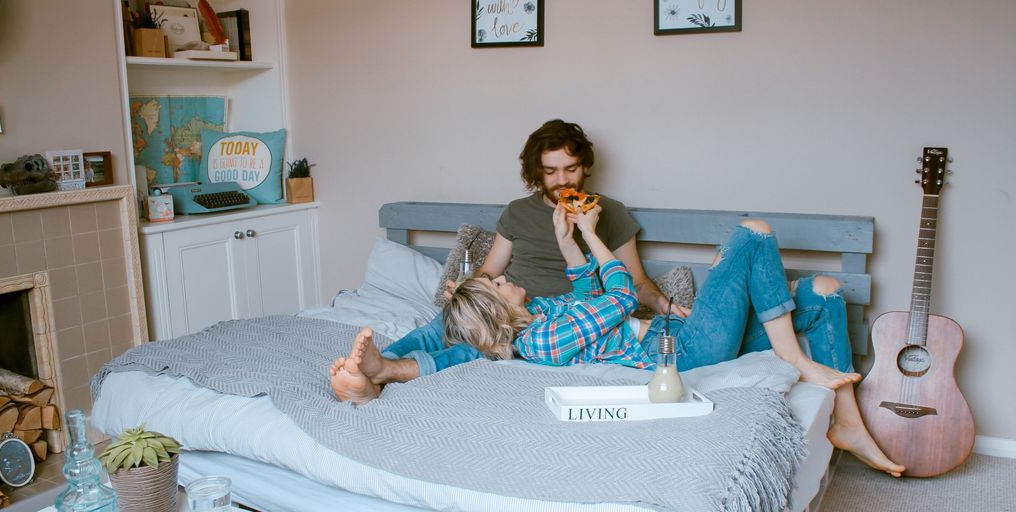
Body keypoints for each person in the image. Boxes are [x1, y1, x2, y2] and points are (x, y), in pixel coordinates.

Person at [332, 204, 906, 478]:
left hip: (684, 332)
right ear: (499, 311)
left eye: (499, 274)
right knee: (753, 234)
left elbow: (588, 285)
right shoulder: (544, 340)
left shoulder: (548, 310)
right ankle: (794, 359)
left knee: (827, 290)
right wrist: (590, 237)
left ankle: (845, 419)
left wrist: (574, 239)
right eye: (498, 283)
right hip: (683, 350)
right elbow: (618, 296)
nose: (503, 275)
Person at [342, 119, 682, 382]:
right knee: (439, 327)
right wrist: (468, 288)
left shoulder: (606, 211)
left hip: (558, 320)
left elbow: (635, 284)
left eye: (571, 169)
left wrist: (669, 308)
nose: (562, 180)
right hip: (504, 305)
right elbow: (491, 271)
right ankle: (375, 365)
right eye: (550, 171)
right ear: (537, 173)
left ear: (585, 167)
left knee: (471, 352)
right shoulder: (518, 212)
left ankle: (392, 372)